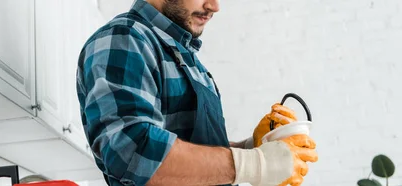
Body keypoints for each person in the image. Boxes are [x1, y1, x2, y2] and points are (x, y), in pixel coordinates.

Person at [75, 0, 319, 185]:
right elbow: (131, 150)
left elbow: (189, 149)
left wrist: (251, 148)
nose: (214, 6)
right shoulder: (126, 38)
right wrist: (255, 164)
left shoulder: (186, 58)